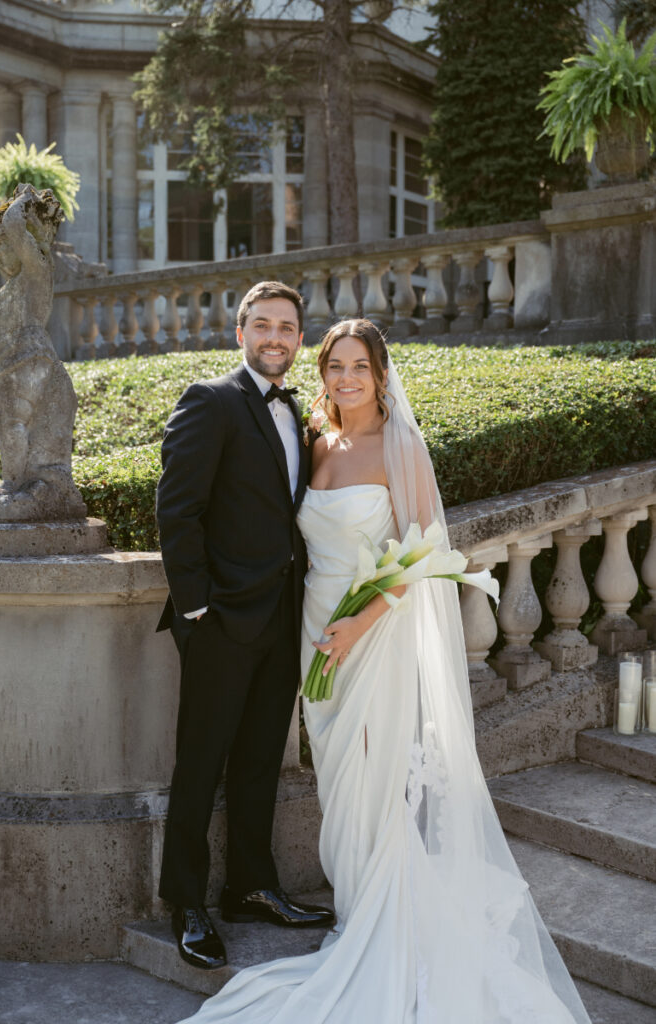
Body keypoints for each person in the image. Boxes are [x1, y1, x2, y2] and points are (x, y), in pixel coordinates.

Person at [174, 318, 592, 1023]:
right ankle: (355, 901)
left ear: (380, 372)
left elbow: (424, 551)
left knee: (373, 777)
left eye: (358, 366)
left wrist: (357, 625)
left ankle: (381, 917)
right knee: (338, 778)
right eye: (334, 365)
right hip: (310, 630)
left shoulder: (398, 446)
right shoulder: (315, 441)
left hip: (368, 634)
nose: (345, 378)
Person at [156, 280, 334, 972]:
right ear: (240, 333)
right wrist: (198, 609)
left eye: (286, 327)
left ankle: (251, 888)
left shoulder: (302, 412)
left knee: (262, 757)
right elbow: (177, 510)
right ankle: (187, 904)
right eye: (261, 325)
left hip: (284, 617)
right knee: (200, 764)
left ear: (298, 338)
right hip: (223, 621)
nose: (274, 337)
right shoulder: (210, 400)